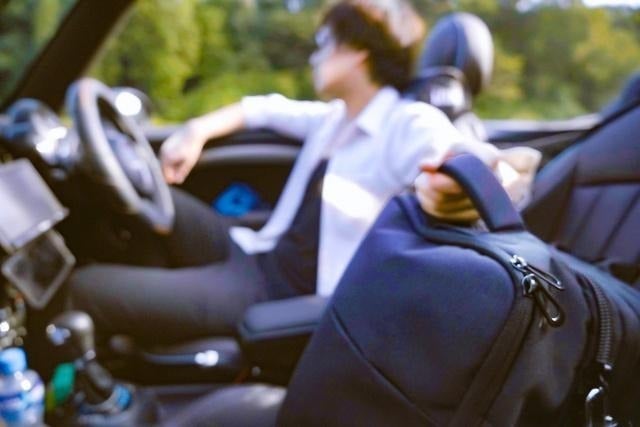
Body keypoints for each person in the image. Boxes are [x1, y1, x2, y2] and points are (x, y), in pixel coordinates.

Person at [69, 0, 518, 344]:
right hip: (255, 248)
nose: (314, 57)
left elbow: (459, 154)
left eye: (323, 44)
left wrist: (475, 177)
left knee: (84, 289)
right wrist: (195, 131)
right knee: (156, 200)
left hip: (276, 291)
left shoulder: (406, 121)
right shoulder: (334, 119)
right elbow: (261, 109)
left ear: (357, 53)